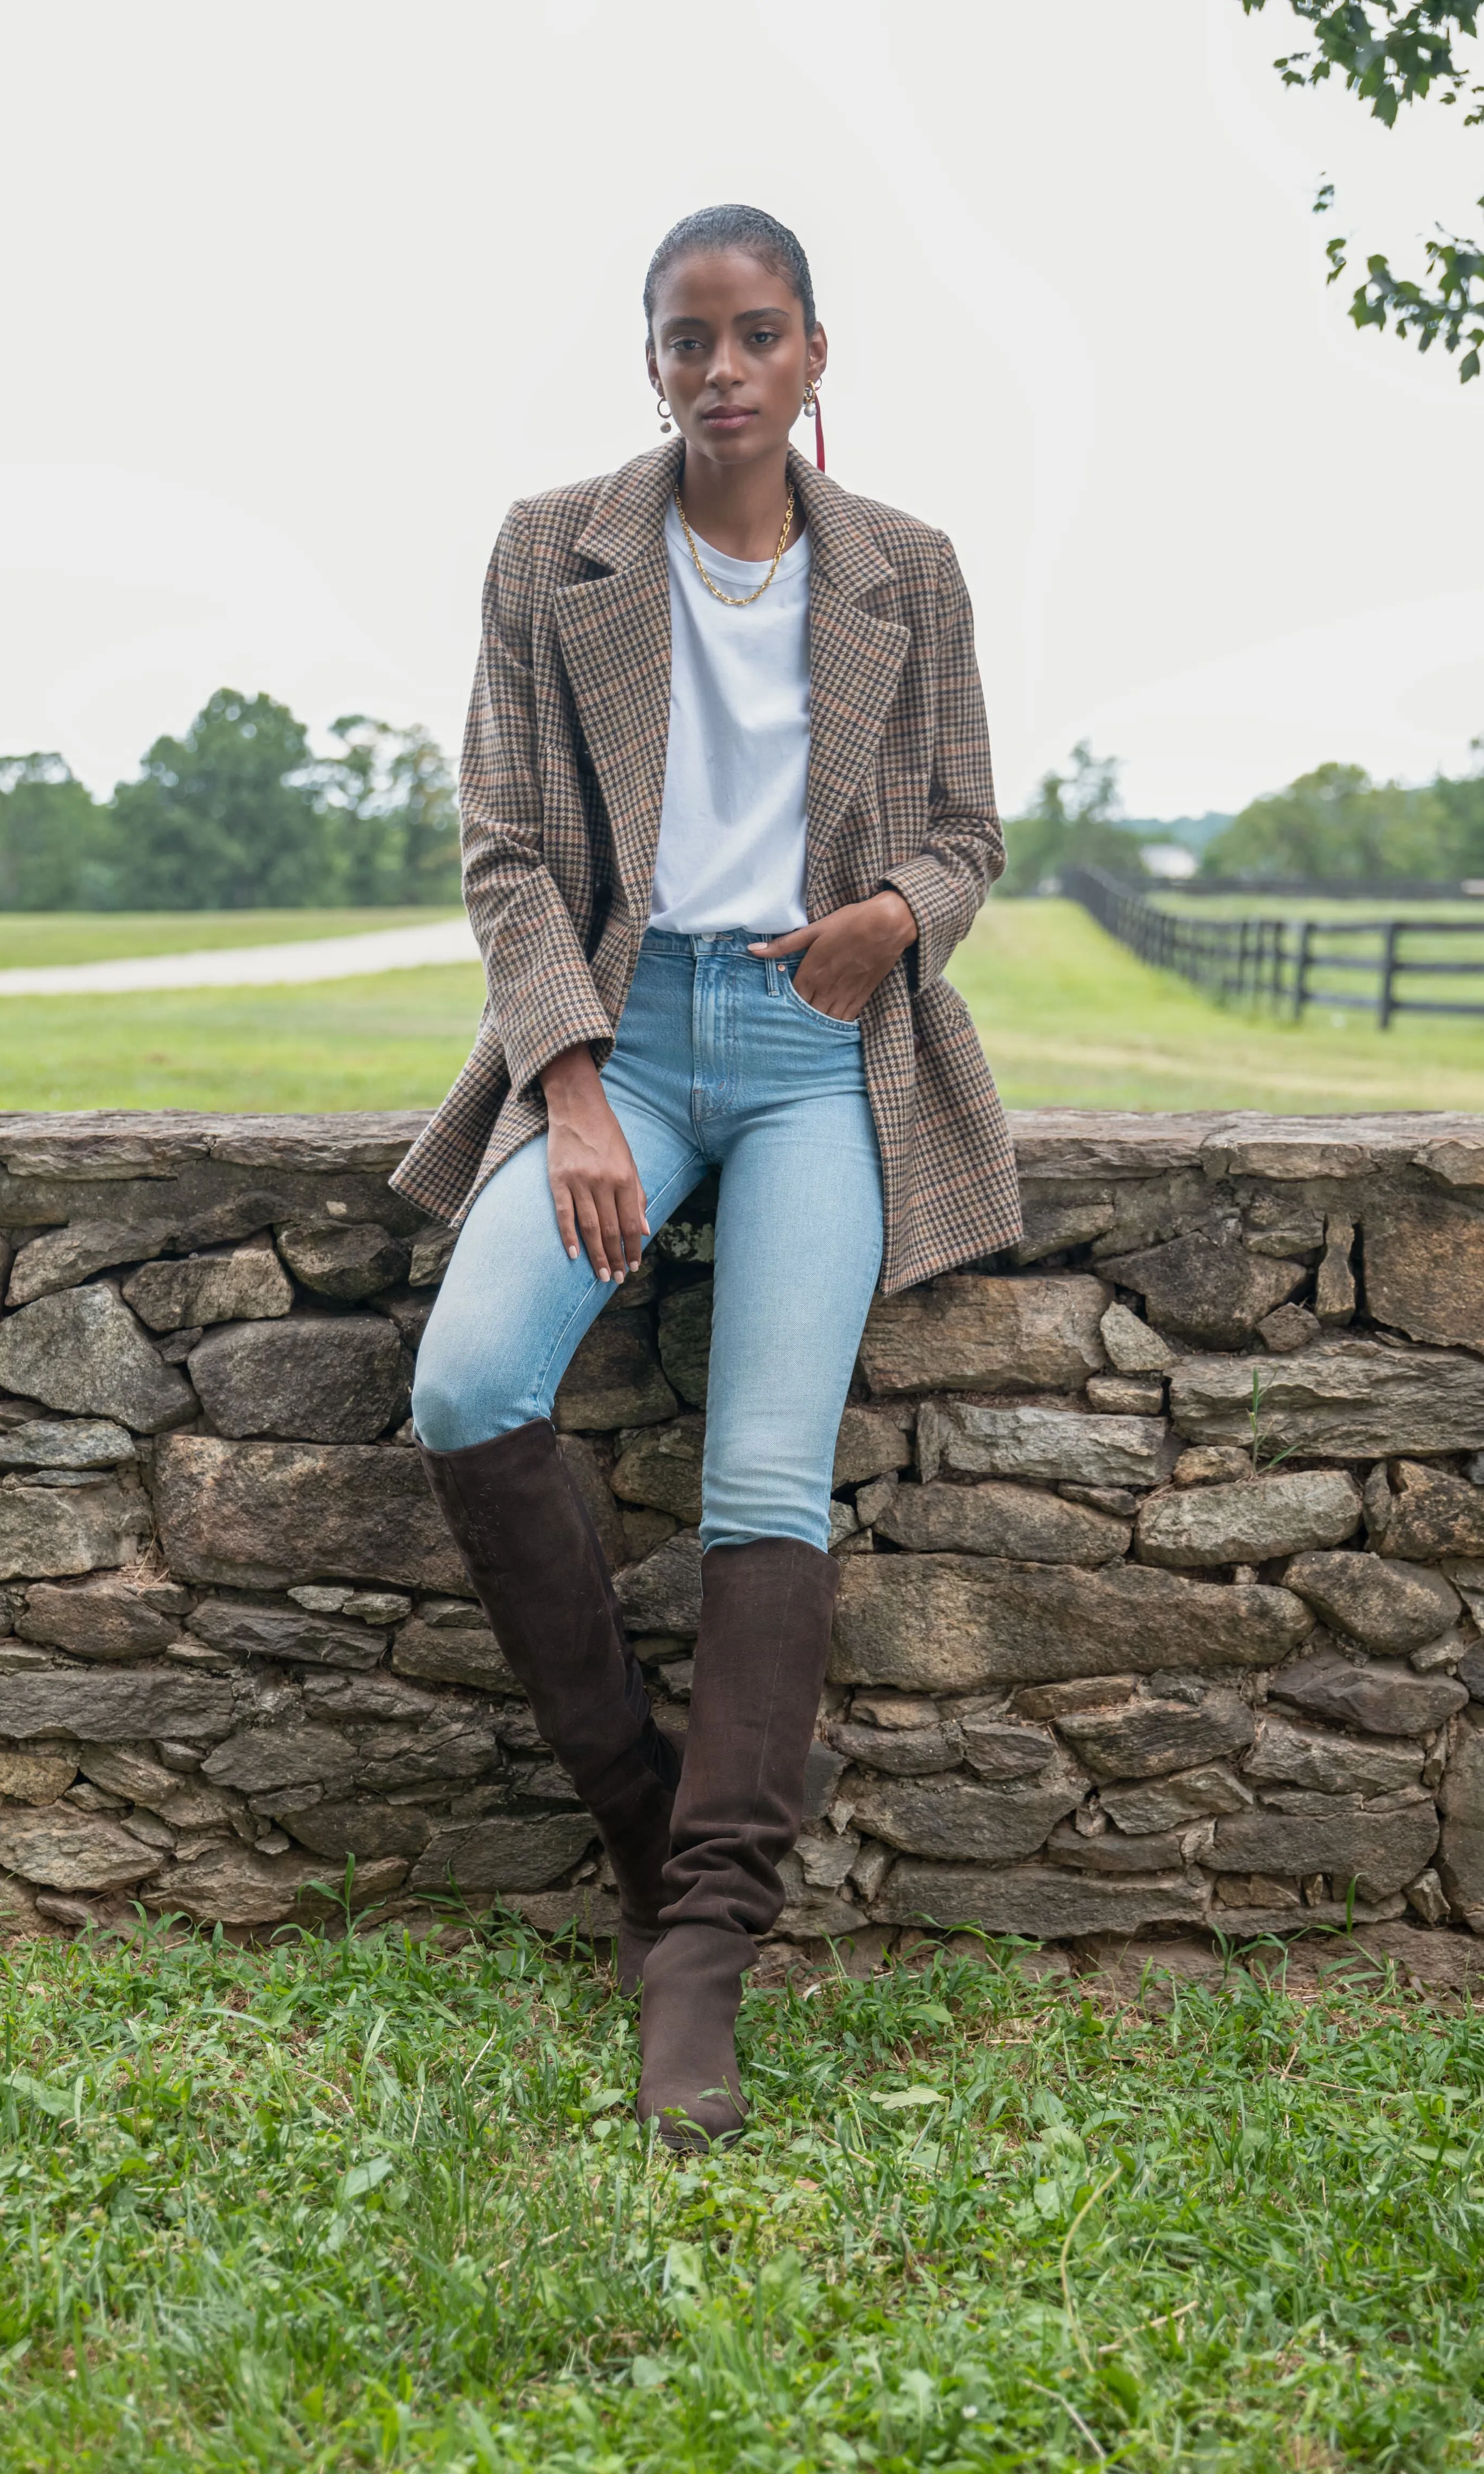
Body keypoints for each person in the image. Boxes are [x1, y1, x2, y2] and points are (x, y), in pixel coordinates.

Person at [397, 203, 1022, 2146]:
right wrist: (571, 1084)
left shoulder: (908, 571)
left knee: (767, 1466)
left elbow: (974, 832)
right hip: (627, 1036)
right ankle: (650, 1831)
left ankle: (700, 1958)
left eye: (758, 334)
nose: (722, 366)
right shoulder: (553, 549)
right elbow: (505, 845)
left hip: (821, 1046)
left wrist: (889, 921)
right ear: (652, 361)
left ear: (818, 356)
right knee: (465, 1379)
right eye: (688, 338)